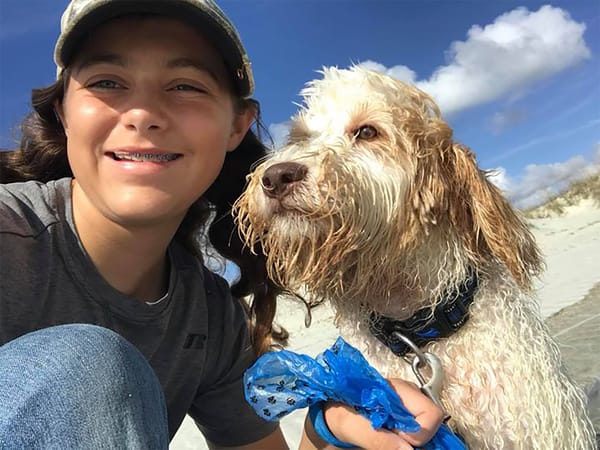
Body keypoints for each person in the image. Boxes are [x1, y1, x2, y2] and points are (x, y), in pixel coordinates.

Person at [0, 0, 444, 448]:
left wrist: (328, 427)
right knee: (83, 365)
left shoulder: (211, 319)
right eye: (107, 82)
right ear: (63, 114)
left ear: (237, 125)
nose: (143, 114)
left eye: (184, 86)